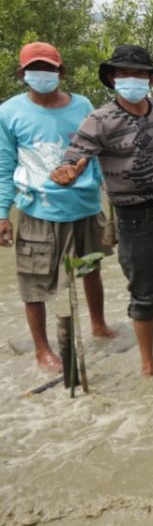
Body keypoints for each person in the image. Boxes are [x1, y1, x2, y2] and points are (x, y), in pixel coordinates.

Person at [51, 44, 153, 376]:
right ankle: (148, 364)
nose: (131, 79)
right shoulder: (99, 119)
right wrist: (69, 170)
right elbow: (76, 154)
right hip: (135, 221)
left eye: (138, 74)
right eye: (123, 74)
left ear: (151, 79)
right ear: (112, 79)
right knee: (145, 296)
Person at [0, 42, 115, 372]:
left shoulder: (83, 105)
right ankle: (42, 349)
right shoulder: (8, 112)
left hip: (84, 205)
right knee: (33, 281)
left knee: (92, 269)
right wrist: (2, 214)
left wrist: (103, 188)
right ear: (22, 74)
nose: (42, 75)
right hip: (38, 208)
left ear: (61, 72)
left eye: (49, 69)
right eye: (35, 69)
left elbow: (93, 154)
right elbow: (4, 164)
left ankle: (98, 324)